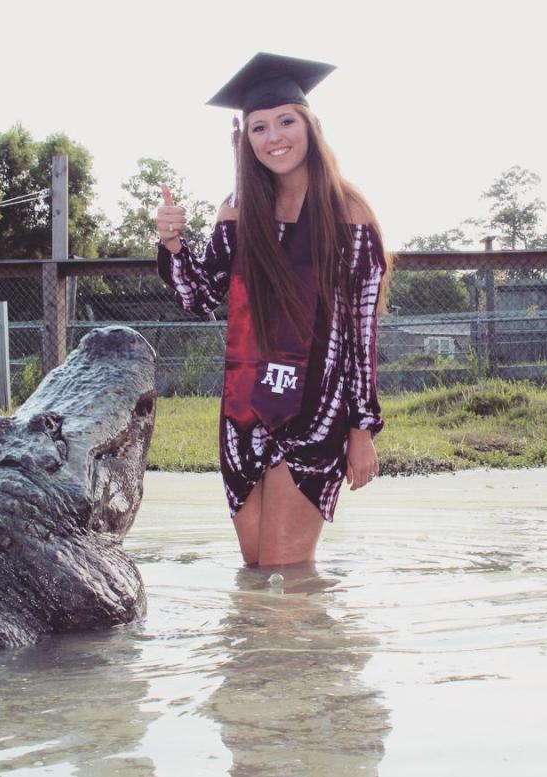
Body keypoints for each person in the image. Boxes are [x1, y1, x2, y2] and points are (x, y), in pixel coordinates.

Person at [156, 52, 392, 568]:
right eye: (259, 126)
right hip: (244, 414)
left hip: (315, 411)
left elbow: (361, 334)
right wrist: (173, 245)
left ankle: (303, 650)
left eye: (286, 120)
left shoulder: (349, 217)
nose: (274, 136)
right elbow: (199, 296)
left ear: (311, 126)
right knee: (257, 574)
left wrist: (362, 430)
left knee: (287, 576)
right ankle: (274, 654)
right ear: (245, 140)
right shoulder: (239, 212)